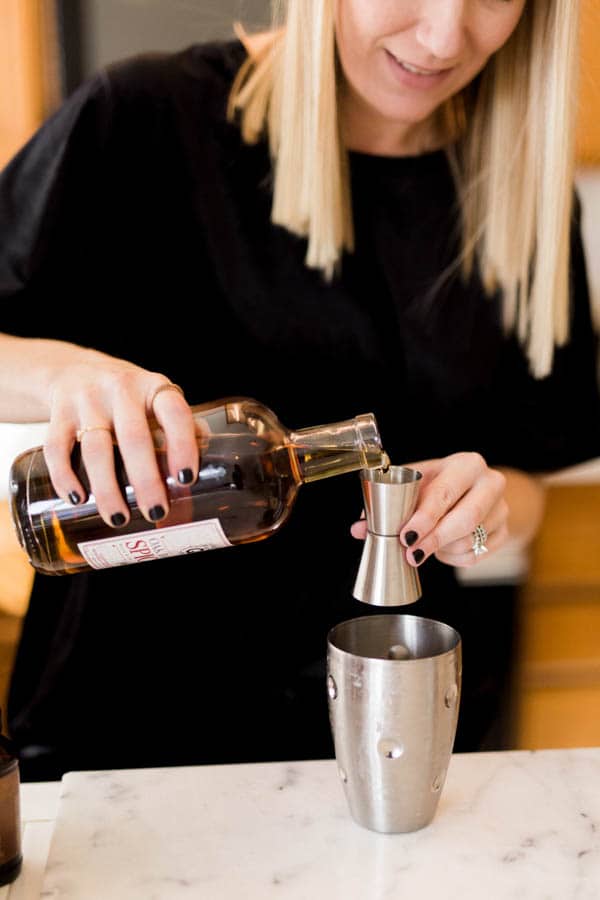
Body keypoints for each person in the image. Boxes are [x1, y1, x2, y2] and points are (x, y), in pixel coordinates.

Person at [0, 0, 598, 781]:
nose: (444, 37)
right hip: (132, 742)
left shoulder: (526, 195)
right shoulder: (144, 118)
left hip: (395, 738)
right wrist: (62, 372)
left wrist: (481, 515)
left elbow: (529, 485)